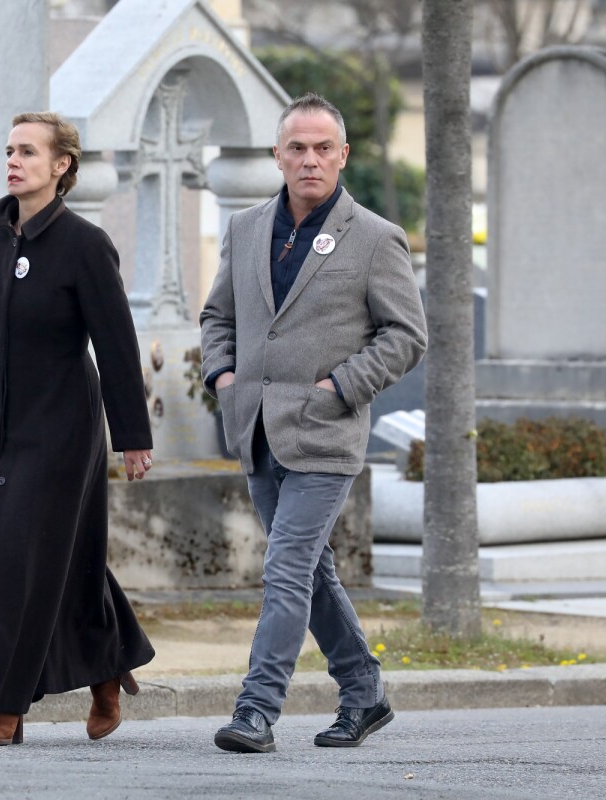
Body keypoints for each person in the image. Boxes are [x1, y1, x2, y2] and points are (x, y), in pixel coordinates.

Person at [199, 93, 427, 753]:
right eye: (297, 147)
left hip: (327, 431)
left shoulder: (376, 236)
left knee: (288, 566)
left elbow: (406, 335)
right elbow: (219, 317)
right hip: (257, 427)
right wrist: (223, 378)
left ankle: (256, 711)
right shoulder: (245, 229)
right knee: (313, 572)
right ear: (278, 154)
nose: (310, 160)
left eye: (323, 148)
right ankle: (364, 693)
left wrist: (340, 386)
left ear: (343, 155)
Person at [0, 111, 156, 747]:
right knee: (69, 557)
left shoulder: (85, 245)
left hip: (64, 424)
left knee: (11, 556)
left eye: (29, 152)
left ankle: (4, 704)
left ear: (61, 167)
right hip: (5, 417)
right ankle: (107, 665)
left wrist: (132, 436)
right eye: (9, 150)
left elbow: (115, 344)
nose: (14, 161)